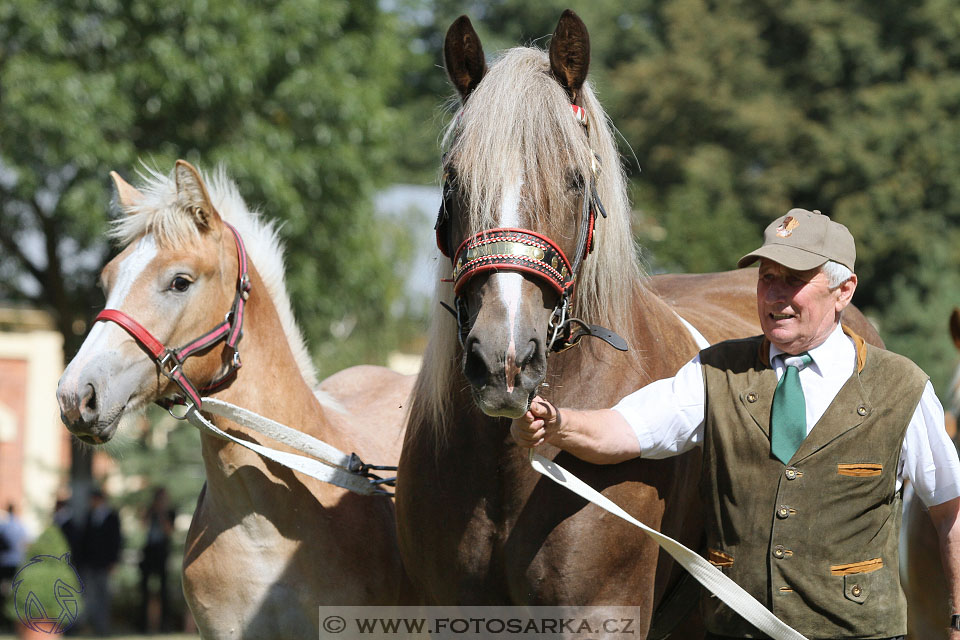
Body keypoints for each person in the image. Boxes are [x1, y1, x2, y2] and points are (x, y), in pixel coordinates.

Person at [512, 208, 960, 640]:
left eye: (795, 280)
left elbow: (950, 512)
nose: (775, 295)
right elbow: (624, 430)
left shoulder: (903, 387)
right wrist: (557, 423)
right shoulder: (716, 371)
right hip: (734, 631)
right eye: (767, 279)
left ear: (844, 290)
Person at [75, 487, 122, 636]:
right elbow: (84, 541)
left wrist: (113, 561)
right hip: (89, 563)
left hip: (104, 564)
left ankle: (102, 627)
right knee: (89, 595)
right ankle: (88, 625)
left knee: (103, 595)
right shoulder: (90, 516)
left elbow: (116, 541)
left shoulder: (112, 517)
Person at [138, 487, 175, 632]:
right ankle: (142, 625)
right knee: (144, 590)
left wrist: (161, 514)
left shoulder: (169, 512)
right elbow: (143, 526)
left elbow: (169, 531)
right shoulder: (150, 511)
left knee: (164, 591)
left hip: (162, 553)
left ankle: (165, 625)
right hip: (149, 553)